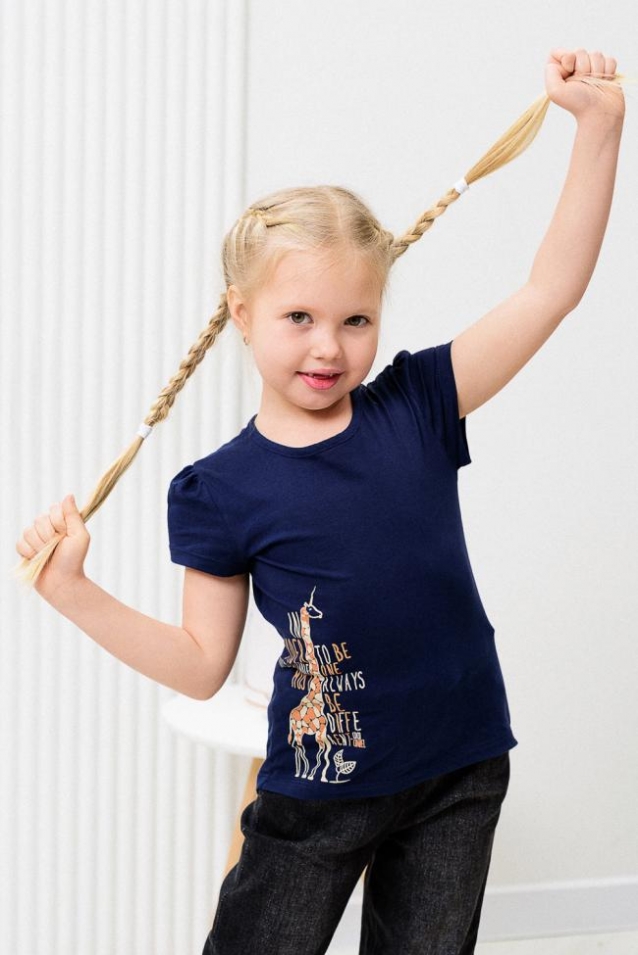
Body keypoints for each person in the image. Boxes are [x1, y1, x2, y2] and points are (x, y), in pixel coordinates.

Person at [16, 49, 625, 955]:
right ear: (241, 313)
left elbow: (552, 290)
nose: (329, 347)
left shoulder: (419, 403)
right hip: (320, 786)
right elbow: (201, 663)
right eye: (299, 317)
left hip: (458, 765)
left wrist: (600, 128)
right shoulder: (218, 489)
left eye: (355, 320)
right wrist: (72, 591)